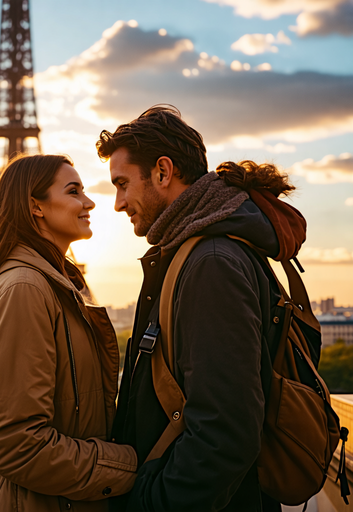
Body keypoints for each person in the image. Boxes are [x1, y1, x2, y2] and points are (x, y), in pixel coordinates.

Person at [96, 105, 307, 512]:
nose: (118, 203)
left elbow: (225, 432)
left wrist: (151, 503)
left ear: (162, 171)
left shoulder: (210, 262)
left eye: (122, 184)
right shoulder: (202, 251)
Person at [0, 154, 137, 512]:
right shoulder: (26, 289)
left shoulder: (47, 287)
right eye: (73, 191)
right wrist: (130, 466)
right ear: (35, 207)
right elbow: (15, 443)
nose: (89, 202)